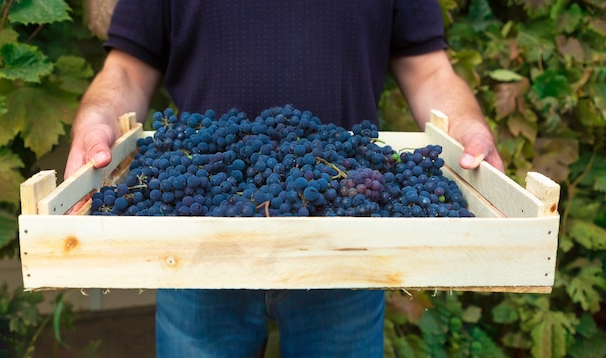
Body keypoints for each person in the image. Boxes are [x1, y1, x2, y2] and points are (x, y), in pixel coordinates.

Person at [65, 1, 504, 357]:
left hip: (346, 239)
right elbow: (125, 69)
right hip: (197, 240)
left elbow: (429, 69)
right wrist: (96, 118)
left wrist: (467, 126)